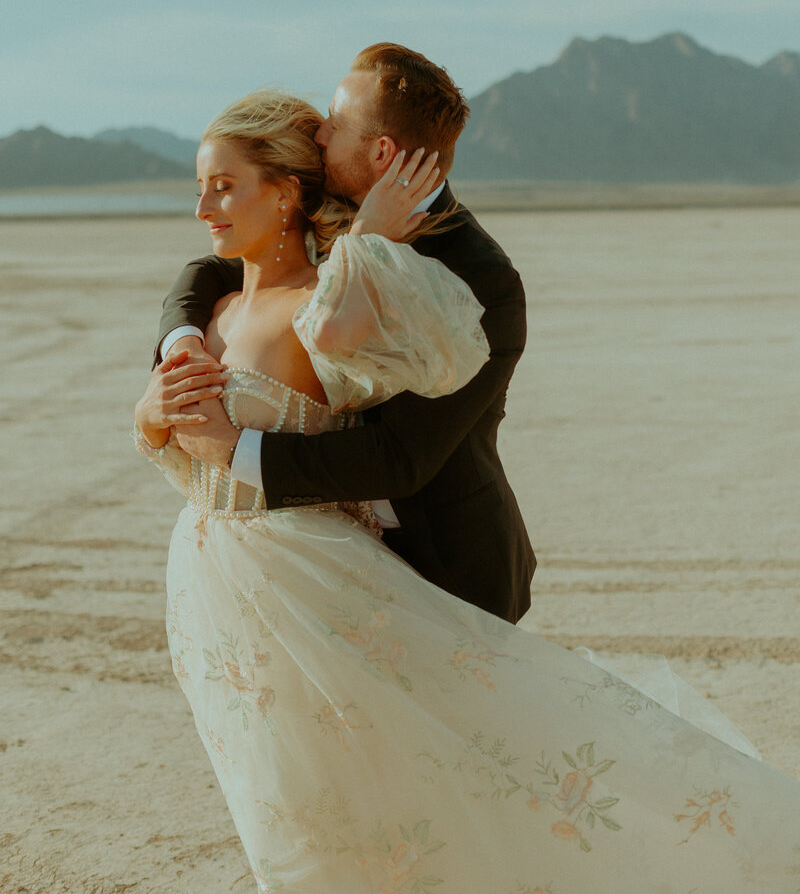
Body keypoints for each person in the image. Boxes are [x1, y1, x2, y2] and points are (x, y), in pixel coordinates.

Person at [135, 90, 800, 894]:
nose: (204, 204)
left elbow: (396, 455)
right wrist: (154, 402)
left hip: (345, 571)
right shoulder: (218, 296)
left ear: (298, 188)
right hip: (216, 592)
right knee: (279, 788)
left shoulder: (435, 289)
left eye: (224, 185)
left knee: (407, 783)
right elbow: (205, 284)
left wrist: (364, 251)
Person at [155, 44, 535, 623]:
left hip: (445, 571)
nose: (321, 135)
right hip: (318, 562)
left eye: (335, 122)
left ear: (381, 150)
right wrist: (180, 340)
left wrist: (234, 450)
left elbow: (399, 458)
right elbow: (212, 269)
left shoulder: (481, 280)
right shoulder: (334, 209)